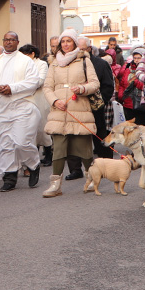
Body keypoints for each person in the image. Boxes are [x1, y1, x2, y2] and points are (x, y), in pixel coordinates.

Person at [0, 32, 44, 191]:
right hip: (2, 107)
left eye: (12, 40)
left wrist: (12, 89)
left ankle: (34, 164)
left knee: (21, 142)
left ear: (17, 42)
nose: (8, 42)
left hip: (22, 106)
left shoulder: (25, 61)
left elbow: (33, 81)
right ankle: (10, 177)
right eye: (6, 40)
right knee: (6, 144)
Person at [41, 30, 101, 198]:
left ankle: (91, 179)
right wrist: (54, 100)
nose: (66, 44)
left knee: (85, 150)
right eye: (63, 41)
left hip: (79, 109)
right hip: (59, 111)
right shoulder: (53, 63)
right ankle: (55, 185)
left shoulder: (84, 60)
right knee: (58, 149)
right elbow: (47, 87)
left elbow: (95, 83)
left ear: (75, 42)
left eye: (69, 41)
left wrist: (82, 88)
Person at [20, 44, 55, 166]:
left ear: (32, 54)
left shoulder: (41, 64)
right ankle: (33, 157)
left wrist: (24, 85)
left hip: (39, 99)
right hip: (26, 99)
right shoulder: (22, 65)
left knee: (42, 129)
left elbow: (40, 80)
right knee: (30, 129)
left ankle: (48, 154)